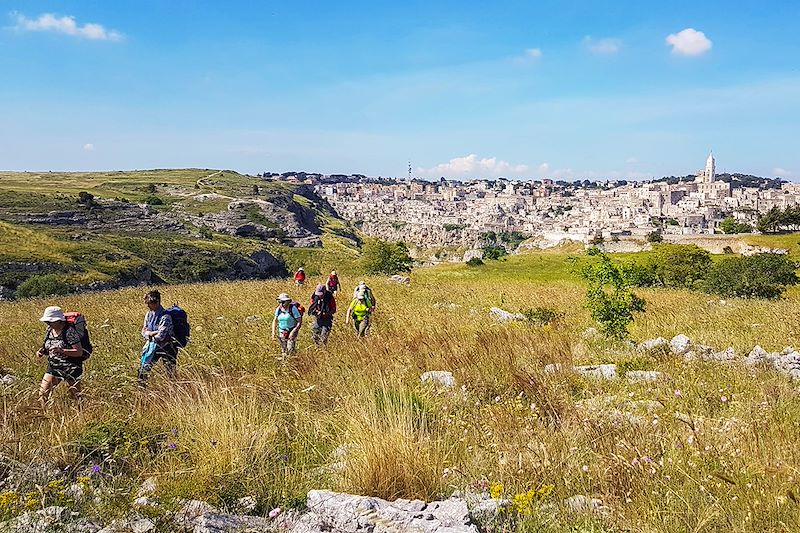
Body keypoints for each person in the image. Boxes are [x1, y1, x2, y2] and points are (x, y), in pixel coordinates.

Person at [37, 306, 85, 404]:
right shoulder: (49, 331)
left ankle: (81, 414)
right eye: (47, 321)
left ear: (59, 321)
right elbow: (48, 347)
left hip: (71, 367)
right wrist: (42, 352)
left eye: (50, 321)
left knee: (75, 396)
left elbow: (78, 352)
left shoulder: (69, 332)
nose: (48, 323)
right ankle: (44, 415)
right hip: (54, 367)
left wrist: (61, 350)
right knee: (43, 394)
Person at [138, 290, 177, 388]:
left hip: (167, 348)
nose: (148, 306)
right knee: (143, 370)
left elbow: (161, 336)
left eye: (150, 303)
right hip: (153, 346)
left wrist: (149, 333)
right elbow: (143, 331)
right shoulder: (149, 314)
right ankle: (141, 390)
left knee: (170, 372)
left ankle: (174, 391)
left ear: (157, 302)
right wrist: (152, 333)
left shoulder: (165, 316)